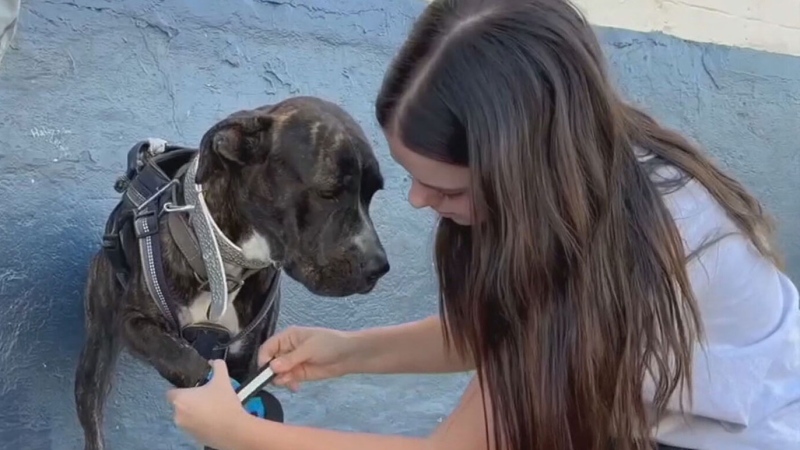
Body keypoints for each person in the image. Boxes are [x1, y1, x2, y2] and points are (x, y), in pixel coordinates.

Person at [166, 0, 800, 449]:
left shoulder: (635, 242)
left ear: (522, 173)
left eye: (446, 187)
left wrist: (237, 434)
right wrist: (350, 350)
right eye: (410, 175)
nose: (417, 201)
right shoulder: (588, 179)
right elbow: (511, 337)